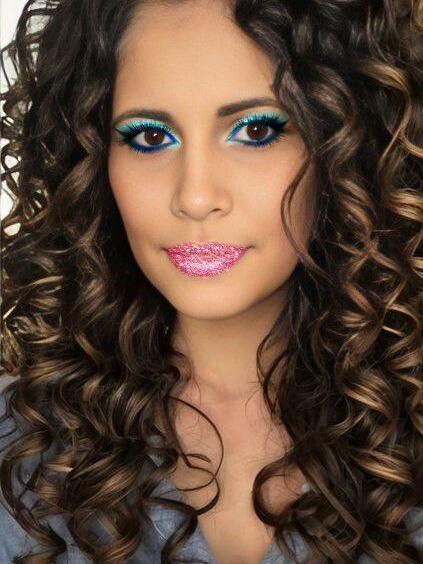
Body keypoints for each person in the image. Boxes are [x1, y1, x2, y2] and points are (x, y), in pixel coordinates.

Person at [0, 0, 421, 563]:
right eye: (151, 137)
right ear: (94, 160)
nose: (195, 197)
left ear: (341, 145)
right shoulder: (20, 446)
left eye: (255, 130)